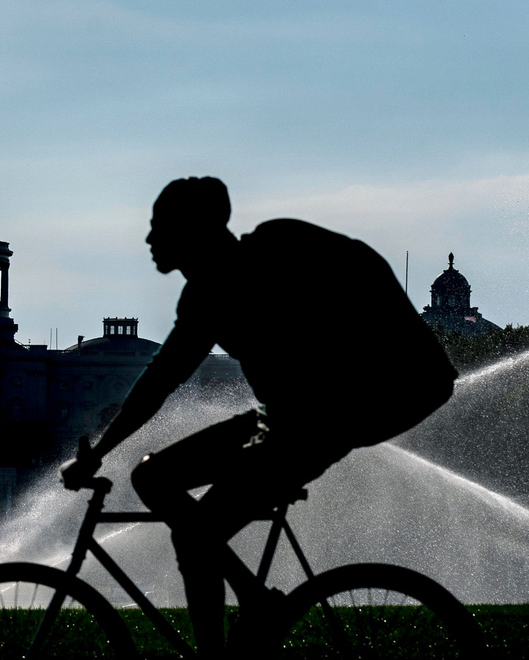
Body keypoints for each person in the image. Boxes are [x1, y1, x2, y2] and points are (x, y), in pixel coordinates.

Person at [61, 177, 457, 658]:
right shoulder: (205, 296)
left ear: (193, 230)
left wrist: (95, 456)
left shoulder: (271, 250)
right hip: (293, 417)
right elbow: (158, 382)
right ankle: (249, 601)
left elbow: (159, 384)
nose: (149, 240)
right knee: (154, 478)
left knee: (196, 532)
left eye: (159, 227)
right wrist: (101, 452)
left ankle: (236, 628)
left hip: (336, 411)